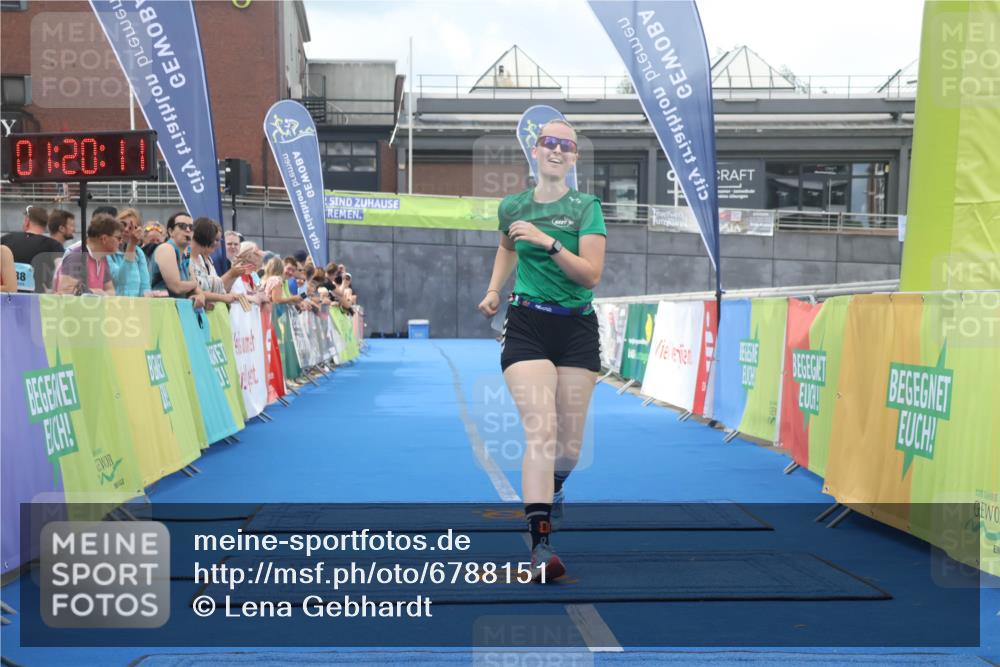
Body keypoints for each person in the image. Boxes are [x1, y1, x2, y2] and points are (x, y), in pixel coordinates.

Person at [477, 119, 606, 582]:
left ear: (574, 158)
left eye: (566, 146)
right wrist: (494, 290)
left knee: (568, 450)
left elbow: (590, 275)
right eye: (549, 143)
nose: (556, 150)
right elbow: (506, 248)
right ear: (535, 151)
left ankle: (554, 486)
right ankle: (540, 546)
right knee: (542, 432)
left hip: (576, 329)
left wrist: (549, 242)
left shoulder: (586, 207)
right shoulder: (512, 205)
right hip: (527, 323)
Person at [54, 213, 121, 295]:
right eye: (118, 238)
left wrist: (95, 293)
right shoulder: (76, 255)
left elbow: (111, 291)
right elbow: (66, 291)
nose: (120, 242)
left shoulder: (102, 257)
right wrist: (96, 293)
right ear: (104, 239)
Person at [1, 205, 63, 293]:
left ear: (27, 221)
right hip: (38, 299)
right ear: (45, 225)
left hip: (6, 298)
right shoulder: (54, 245)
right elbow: (61, 271)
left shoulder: (5, 240)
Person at [150, 212, 206, 309]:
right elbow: (176, 287)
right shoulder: (166, 248)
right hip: (160, 309)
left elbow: (195, 287)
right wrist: (195, 285)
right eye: (182, 226)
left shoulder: (186, 252)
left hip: (175, 310)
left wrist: (201, 296)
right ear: (171, 231)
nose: (188, 230)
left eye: (191, 227)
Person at [189, 217, 250, 306]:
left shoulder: (208, 260)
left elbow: (220, 289)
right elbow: (200, 290)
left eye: (218, 240)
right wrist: (231, 274)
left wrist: (235, 275)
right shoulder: (217, 260)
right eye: (214, 239)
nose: (214, 243)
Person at [106, 208, 151, 297]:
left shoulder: (138, 252)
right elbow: (119, 279)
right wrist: (131, 246)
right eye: (123, 224)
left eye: (131, 227)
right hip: (114, 305)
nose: (126, 229)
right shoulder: (107, 250)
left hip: (135, 306)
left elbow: (145, 286)